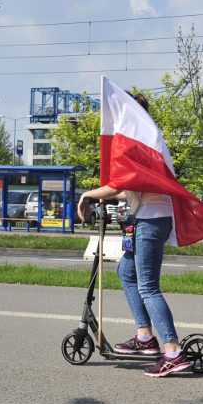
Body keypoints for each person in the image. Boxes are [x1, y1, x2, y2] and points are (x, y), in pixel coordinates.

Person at [77, 93, 192, 377]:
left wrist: (88, 195)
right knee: (126, 271)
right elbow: (126, 185)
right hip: (149, 218)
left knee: (148, 287)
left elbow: (121, 183)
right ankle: (145, 338)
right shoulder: (146, 138)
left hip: (151, 222)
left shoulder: (139, 141)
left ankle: (173, 352)